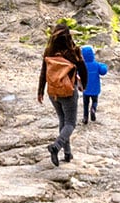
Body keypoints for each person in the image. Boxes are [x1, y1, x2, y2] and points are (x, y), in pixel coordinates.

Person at [36, 24, 87, 166]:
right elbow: (83, 70)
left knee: (62, 120)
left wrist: (40, 91)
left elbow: (43, 73)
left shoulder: (49, 51)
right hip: (68, 92)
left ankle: (67, 153)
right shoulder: (73, 51)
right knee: (70, 123)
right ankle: (56, 147)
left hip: (53, 92)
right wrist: (84, 86)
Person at [80, 44, 109, 124]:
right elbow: (103, 71)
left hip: (85, 88)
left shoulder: (82, 66)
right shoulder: (96, 64)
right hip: (95, 88)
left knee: (85, 104)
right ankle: (93, 109)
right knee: (95, 101)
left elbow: (77, 74)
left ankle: (85, 118)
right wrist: (104, 65)